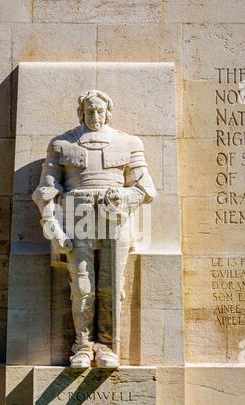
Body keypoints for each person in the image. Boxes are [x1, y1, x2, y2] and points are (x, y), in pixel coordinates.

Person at [33, 90, 156, 368]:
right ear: (82, 113)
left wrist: (122, 197)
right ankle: (83, 345)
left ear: (108, 112)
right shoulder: (62, 144)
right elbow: (45, 191)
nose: (95, 117)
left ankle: (107, 346)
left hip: (116, 220)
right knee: (82, 286)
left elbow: (146, 188)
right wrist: (52, 228)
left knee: (112, 286)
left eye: (100, 111)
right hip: (77, 219)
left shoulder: (128, 143)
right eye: (90, 111)